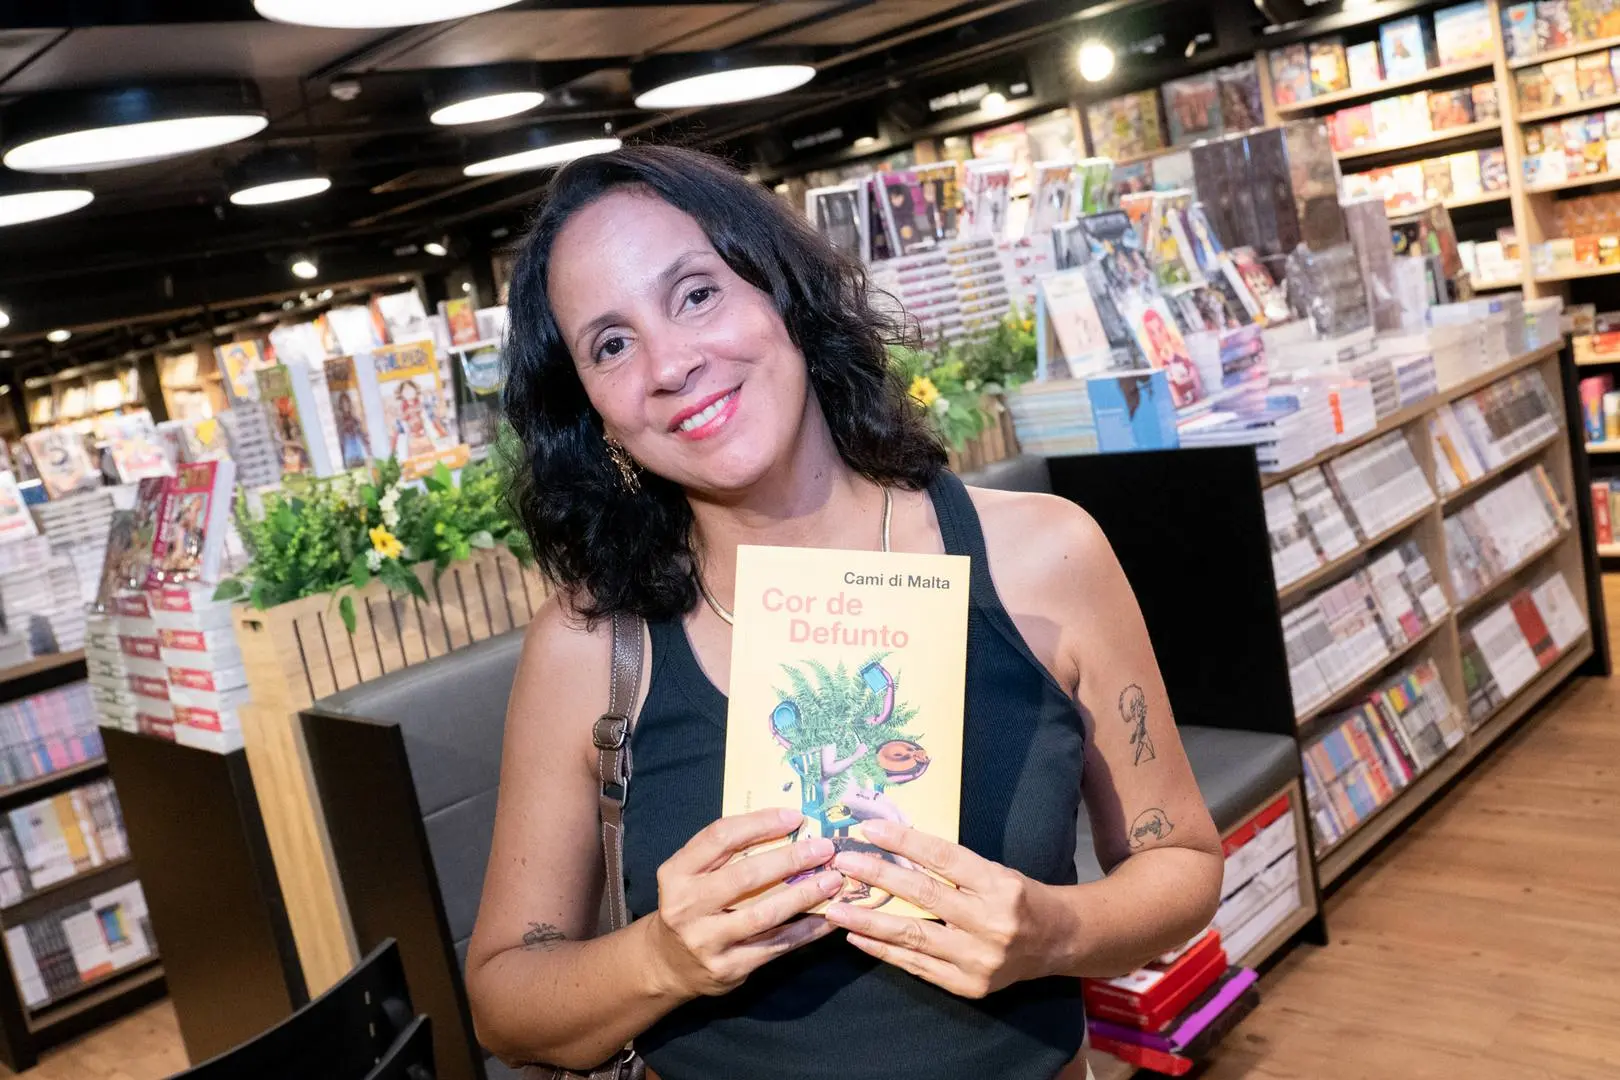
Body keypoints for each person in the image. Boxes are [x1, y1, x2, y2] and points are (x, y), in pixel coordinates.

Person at [467, 145, 1223, 1080]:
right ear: (589, 409)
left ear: (783, 294)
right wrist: (660, 958)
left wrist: (1053, 932)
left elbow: (1181, 860)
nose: (671, 363)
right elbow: (505, 1003)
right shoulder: (591, 647)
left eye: (696, 294)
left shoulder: (1043, 556)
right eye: (610, 345)